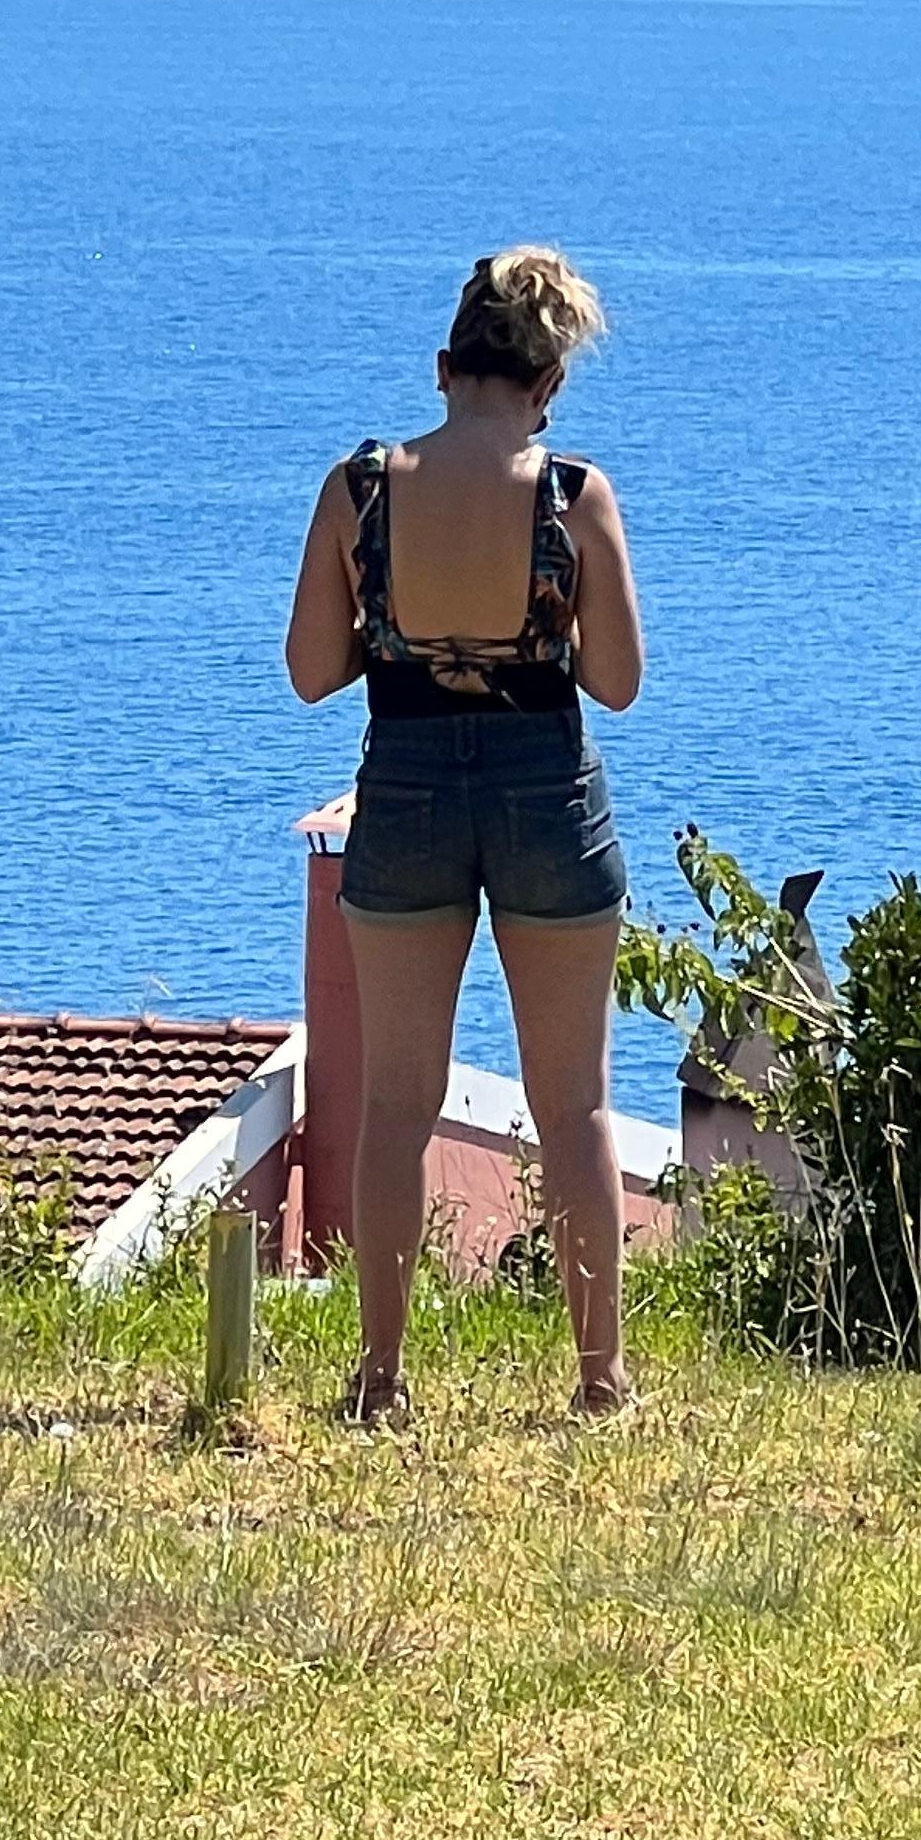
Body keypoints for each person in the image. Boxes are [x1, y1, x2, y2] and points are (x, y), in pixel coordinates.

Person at [284, 247, 645, 1424]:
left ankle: (382, 1378)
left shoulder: (361, 487)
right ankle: (599, 1381)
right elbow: (619, 681)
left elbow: (310, 672)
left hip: (408, 784)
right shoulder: (574, 494)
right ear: (548, 383)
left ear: (445, 368)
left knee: (395, 1097)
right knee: (575, 1103)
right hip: (547, 786)